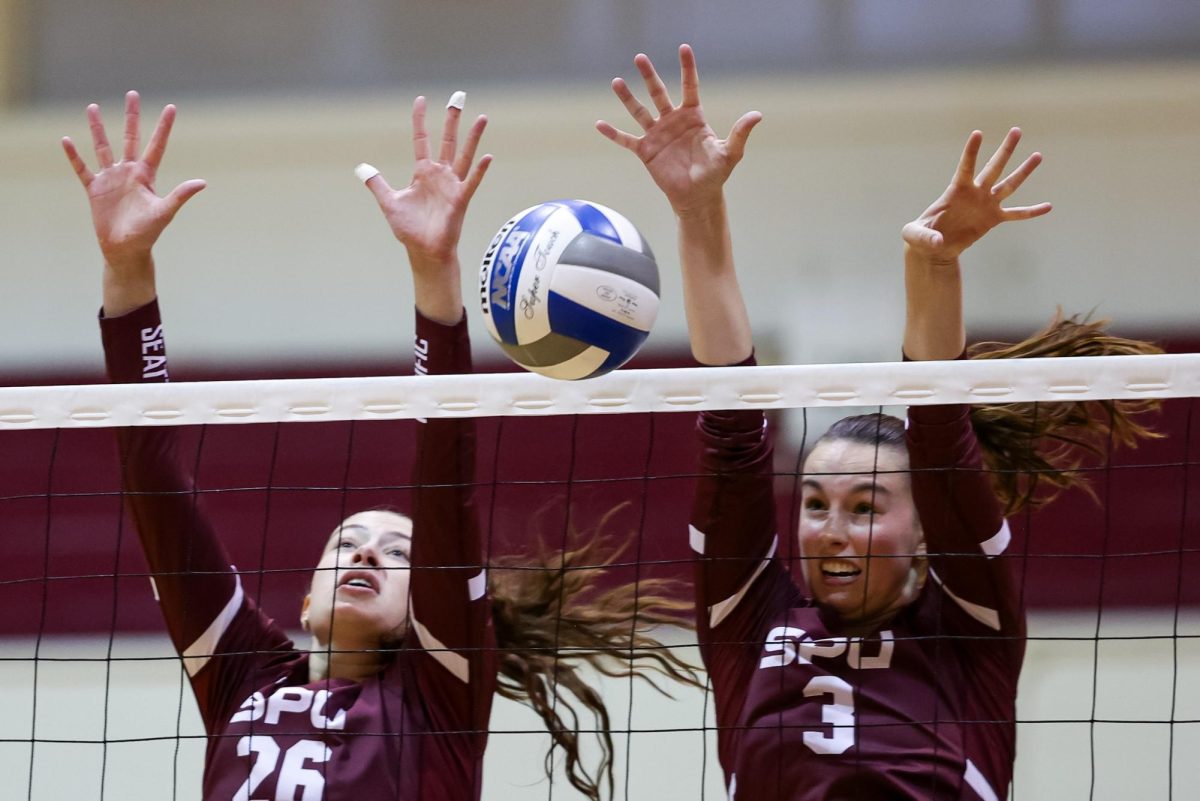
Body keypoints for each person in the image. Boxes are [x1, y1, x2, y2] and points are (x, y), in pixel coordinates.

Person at [66, 90, 697, 801]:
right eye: (349, 544)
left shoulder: (439, 696)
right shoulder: (243, 671)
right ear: (304, 604)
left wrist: (435, 276)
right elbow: (158, 492)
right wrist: (128, 268)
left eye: (401, 553)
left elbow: (444, 475)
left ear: (425, 603)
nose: (367, 552)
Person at [598, 45, 1161, 800]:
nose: (830, 529)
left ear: (925, 527)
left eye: (865, 507)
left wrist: (934, 268)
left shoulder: (969, 628)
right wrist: (699, 209)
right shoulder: (751, 617)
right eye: (817, 504)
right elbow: (733, 429)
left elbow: (938, 426)